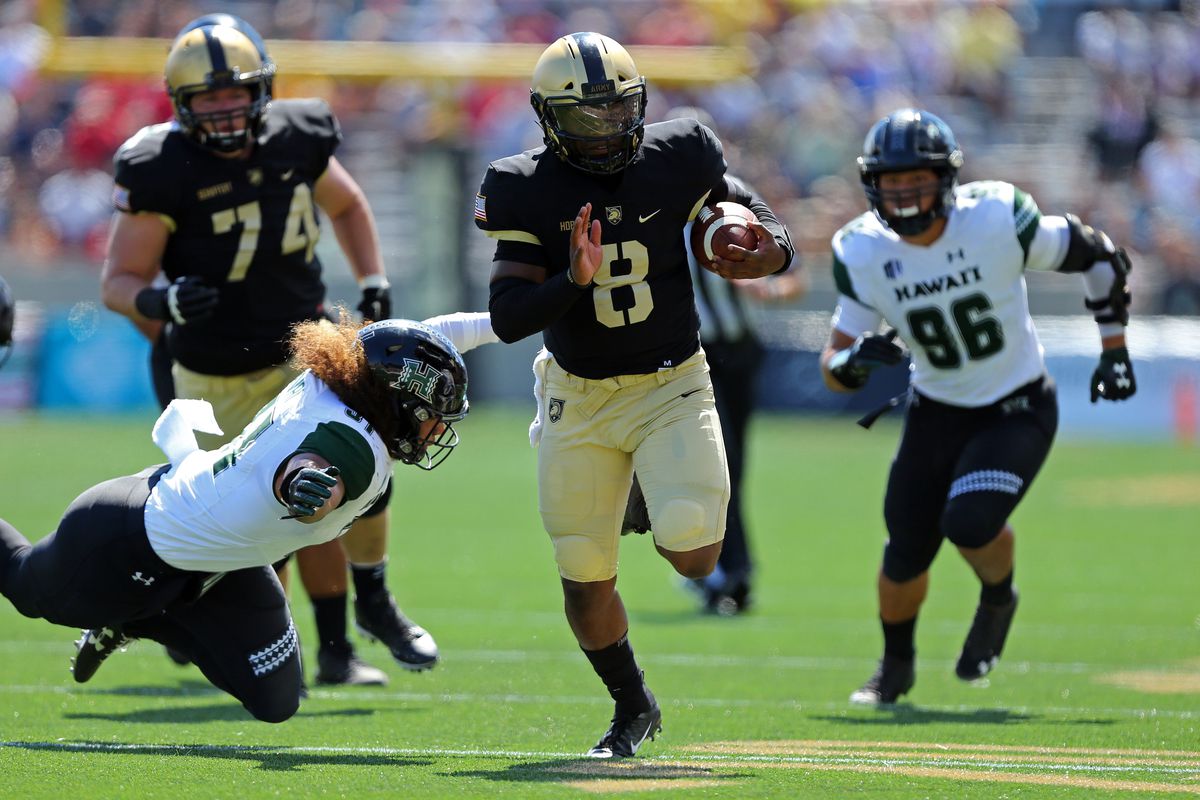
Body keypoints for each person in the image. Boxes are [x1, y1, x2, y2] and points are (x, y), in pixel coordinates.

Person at [476, 32, 794, 757]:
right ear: (549, 119)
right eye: (585, 117)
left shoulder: (681, 154)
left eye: (617, 110)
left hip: (671, 382)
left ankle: (645, 487)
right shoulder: (523, 186)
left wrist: (768, 248)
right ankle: (631, 706)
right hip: (578, 395)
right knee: (584, 577)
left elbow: (752, 212)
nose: (605, 129)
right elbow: (508, 316)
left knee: (696, 554)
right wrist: (572, 281)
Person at [99, 15, 433, 687]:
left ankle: (356, 624)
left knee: (347, 480)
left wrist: (372, 279)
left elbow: (348, 204)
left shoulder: (295, 135)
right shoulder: (160, 165)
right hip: (208, 371)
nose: (226, 110)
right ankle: (180, 615)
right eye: (209, 98)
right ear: (181, 104)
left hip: (302, 351)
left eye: (236, 93)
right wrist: (163, 301)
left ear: (263, 90)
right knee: (239, 525)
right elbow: (118, 284)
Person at [0, 318, 468, 723]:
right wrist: (306, 486)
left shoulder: (343, 379)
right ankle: (131, 613)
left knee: (276, 699)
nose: (437, 430)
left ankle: (136, 619)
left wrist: (501, 320)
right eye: (433, 416)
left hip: (221, 557)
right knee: (24, 583)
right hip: (132, 534)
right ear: (401, 399)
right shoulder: (355, 446)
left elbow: (429, 334)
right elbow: (304, 465)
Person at [820, 109, 1136, 705]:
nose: (905, 195)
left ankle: (998, 598)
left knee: (968, 521)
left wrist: (1114, 348)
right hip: (936, 409)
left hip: (1017, 404)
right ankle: (895, 666)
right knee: (904, 551)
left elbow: (1098, 255)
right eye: (893, 182)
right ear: (872, 185)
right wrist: (856, 363)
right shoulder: (861, 250)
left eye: (917, 180)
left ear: (946, 179)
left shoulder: (994, 217)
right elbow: (833, 366)